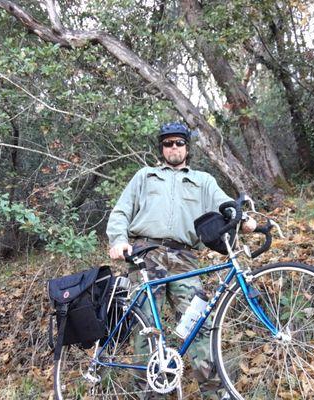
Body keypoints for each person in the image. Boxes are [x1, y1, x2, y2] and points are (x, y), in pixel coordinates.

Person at [106, 122, 256, 399]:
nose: (173, 147)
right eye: (167, 143)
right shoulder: (145, 176)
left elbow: (225, 206)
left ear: (187, 147)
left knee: (198, 323)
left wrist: (244, 219)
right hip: (145, 253)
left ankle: (214, 393)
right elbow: (120, 212)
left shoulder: (203, 181)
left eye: (178, 143)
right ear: (161, 148)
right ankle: (148, 394)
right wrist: (118, 240)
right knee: (147, 327)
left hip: (185, 257)